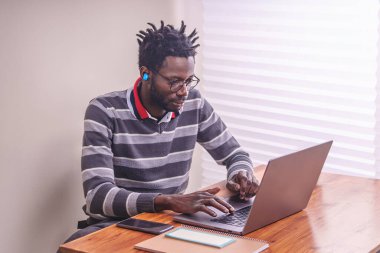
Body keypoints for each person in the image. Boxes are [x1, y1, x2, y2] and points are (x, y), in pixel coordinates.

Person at [62, 20, 259, 244]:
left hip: (168, 223)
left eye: (188, 81)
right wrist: (166, 201)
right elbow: (98, 197)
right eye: (174, 82)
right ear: (145, 74)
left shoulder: (193, 104)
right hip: (117, 225)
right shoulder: (105, 111)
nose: (183, 91)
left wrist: (241, 174)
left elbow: (236, 155)